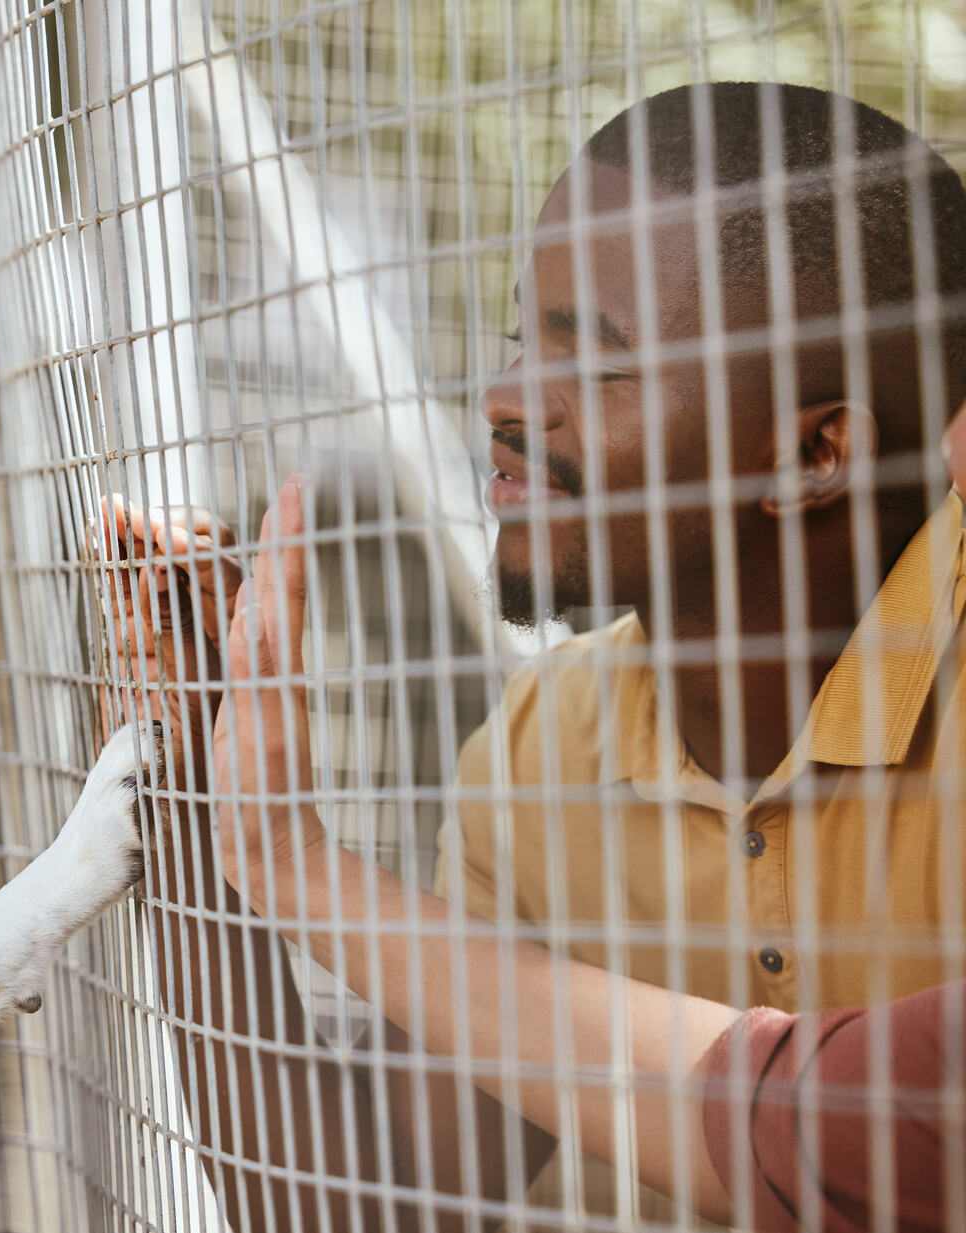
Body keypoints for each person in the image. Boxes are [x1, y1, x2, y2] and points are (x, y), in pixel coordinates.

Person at [108, 80, 966, 1230]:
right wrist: (189, 799)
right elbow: (370, 1207)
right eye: (523, 340)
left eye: (599, 365)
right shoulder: (536, 745)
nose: (505, 400)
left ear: (815, 452)